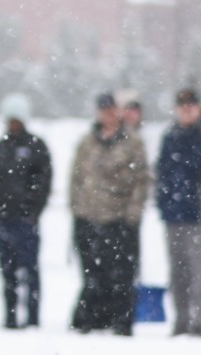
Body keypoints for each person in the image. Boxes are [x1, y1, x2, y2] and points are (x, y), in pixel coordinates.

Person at [69, 92, 151, 335]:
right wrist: (77, 209)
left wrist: (132, 215)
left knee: (122, 274)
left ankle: (121, 321)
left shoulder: (132, 143)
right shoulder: (87, 142)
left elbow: (141, 181)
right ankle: (94, 318)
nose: (108, 114)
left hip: (119, 218)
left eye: (112, 109)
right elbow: (76, 178)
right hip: (89, 216)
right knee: (93, 273)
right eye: (103, 109)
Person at [0, 93, 51, 328]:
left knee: (30, 271)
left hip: (27, 221)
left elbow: (44, 182)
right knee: (7, 272)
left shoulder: (36, 147)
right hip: (4, 219)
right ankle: (10, 317)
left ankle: (32, 317)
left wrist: (33, 211)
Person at [158, 87, 201, 334]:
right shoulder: (170, 137)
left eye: (191, 105)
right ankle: (181, 320)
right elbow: (163, 173)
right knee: (178, 272)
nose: (186, 110)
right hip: (174, 215)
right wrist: (165, 204)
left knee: (198, 272)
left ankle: (198, 321)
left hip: (197, 217)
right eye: (182, 105)